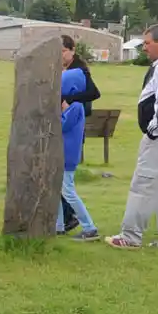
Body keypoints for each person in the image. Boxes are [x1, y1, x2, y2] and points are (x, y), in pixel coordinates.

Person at [105, 23, 158, 249]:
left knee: (143, 185)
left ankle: (130, 236)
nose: (144, 48)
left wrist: (153, 132)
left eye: (147, 43)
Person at [57, 66, 99, 240]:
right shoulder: (75, 106)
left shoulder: (74, 107)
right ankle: (58, 226)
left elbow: (61, 126)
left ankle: (89, 227)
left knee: (68, 192)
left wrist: (61, 111)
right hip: (62, 155)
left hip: (67, 156)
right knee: (58, 191)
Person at [60, 35, 101, 117]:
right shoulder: (55, 68)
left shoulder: (80, 69)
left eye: (63, 51)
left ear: (73, 51)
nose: (60, 55)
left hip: (76, 115)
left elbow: (94, 93)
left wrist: (67, 100)